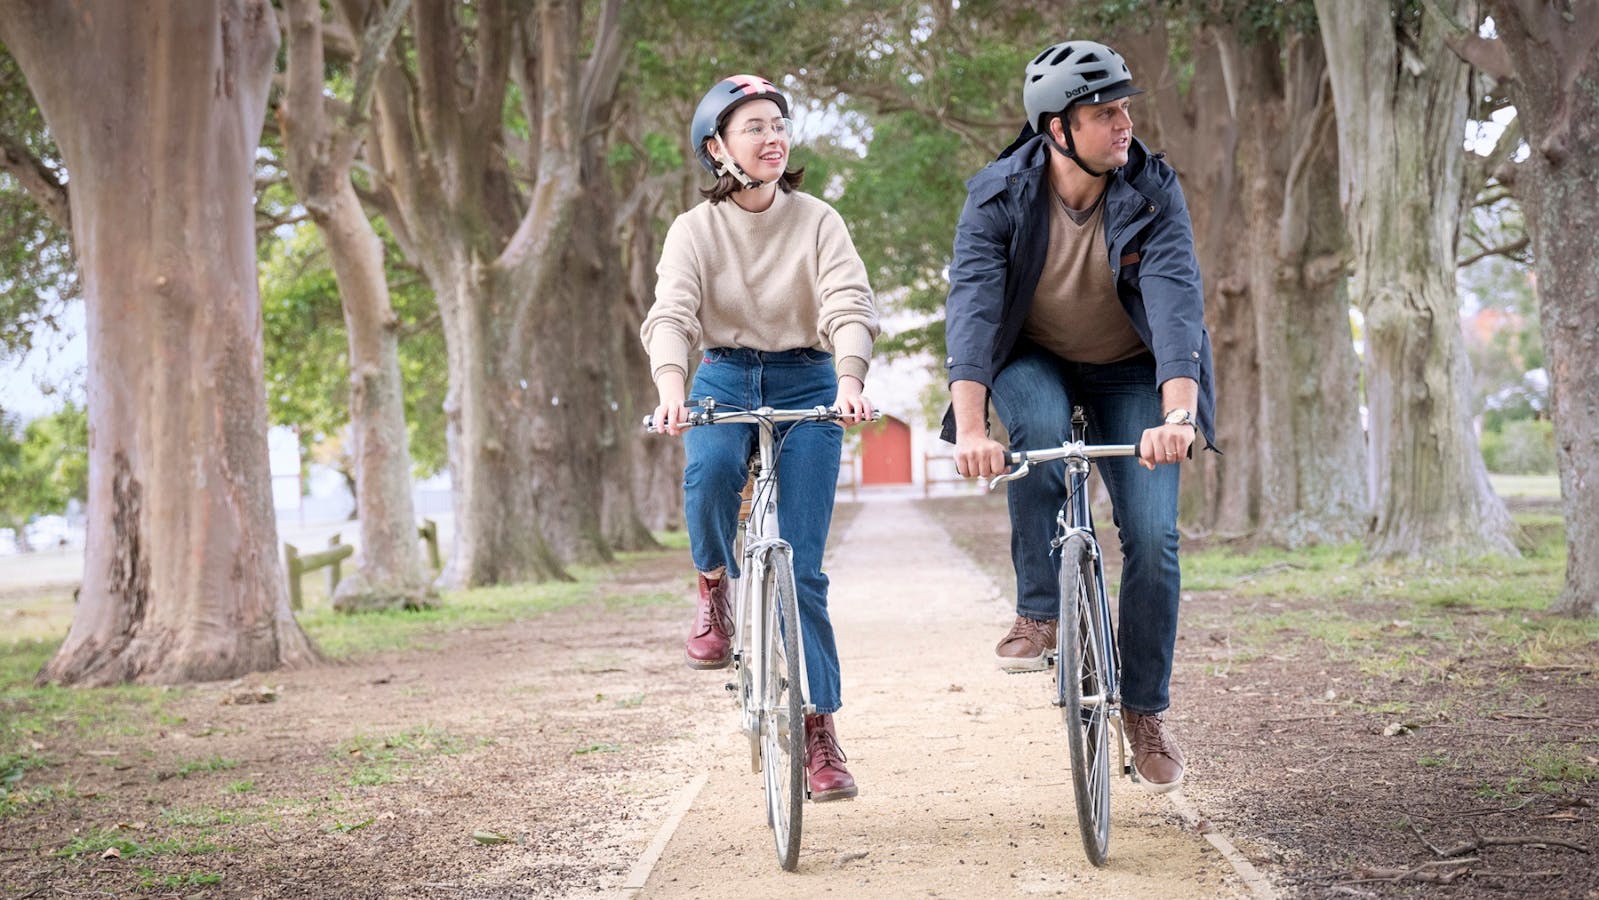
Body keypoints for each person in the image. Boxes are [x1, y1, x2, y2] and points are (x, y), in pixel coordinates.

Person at [942, 40, 1217, 792]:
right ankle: (1040, 612)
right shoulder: (997, 193)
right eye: (1105, 113)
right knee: (1032, 432)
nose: (1123, 124)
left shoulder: (1152, 189)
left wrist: (1178, 415)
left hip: (1131, 366)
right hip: (1032, 354)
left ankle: (1143, 712)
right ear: (1056, 129)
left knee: (1155, 538)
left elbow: (1173, 304)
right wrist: (970, 430)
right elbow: (971, 311)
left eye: (1125, 109)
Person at [641, 74, 880, 802]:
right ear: (717, 147)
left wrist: (848, 381)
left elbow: (847, 302)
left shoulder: (817, 219)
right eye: (753, 127)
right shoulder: (694, 229)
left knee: (804, 570)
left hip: (809, 381)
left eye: (778, 123)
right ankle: (713, 586)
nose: (772, 136)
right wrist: (672, 395)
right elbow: (672, 315)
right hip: (723, 378)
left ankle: (819, 732)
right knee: (710, 472)